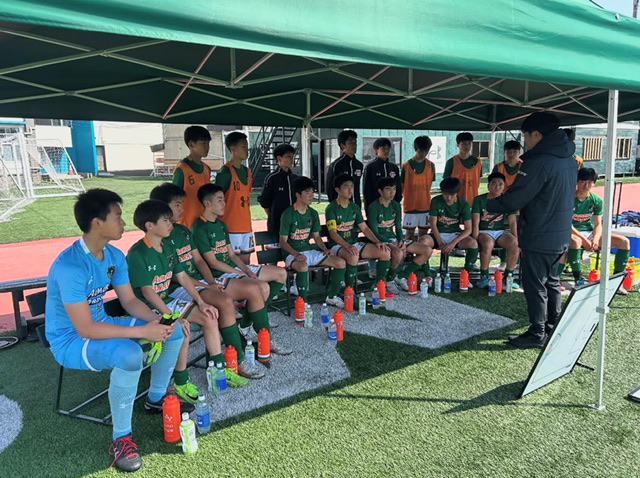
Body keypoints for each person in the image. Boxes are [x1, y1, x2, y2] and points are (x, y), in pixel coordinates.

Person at [45, 189, 187, 472]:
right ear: (97, 223)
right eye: (118, 217)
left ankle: (156, 398)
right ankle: (121, 438)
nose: (123, 223)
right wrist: (142, 332)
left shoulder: (113, 255)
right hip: (71, 340)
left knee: (175, 330)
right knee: (129, 354)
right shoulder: (70, 266)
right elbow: (85, 328)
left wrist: (158, 321)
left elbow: (130, 301)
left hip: (102, 325)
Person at [127, 201, 250, 402]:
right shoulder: (137, 253)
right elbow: (148, 293)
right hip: (148, 308)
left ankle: (219, 370)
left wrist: (201, 302)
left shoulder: (167, 246)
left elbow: (183, 277)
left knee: (209, 316)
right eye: (165, 221)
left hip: (166, 300)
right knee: (181, 330)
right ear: (149, 225)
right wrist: (171, 317)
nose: (171, 224)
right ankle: (181, 382)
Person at [149, 183, 264, 382]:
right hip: (177, 289)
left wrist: (211, 282)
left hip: (198, 282)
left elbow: (199, 260)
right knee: (224, 301)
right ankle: (236, 358)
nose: (182, 209)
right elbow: (178, 276)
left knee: (246, 291)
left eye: (182, 204)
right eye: (177, 205)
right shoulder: (161, 239)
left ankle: (236, 351)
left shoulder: (183, 231)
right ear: (162, 208)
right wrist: (205, 287)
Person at [487, 112, 576, 348]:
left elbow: (517, 198)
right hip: (560, 233)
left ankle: (537, 332)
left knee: (535, 283)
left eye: (525, 136)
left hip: (540, 233)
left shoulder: (539, 161)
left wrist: (489, 203)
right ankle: (553, 324)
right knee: (552, 280)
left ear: (536, 134)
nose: (524, 141)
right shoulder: (569, 158)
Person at [192, 183, 291, 358]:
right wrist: (241, 273)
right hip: (218, 275)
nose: (224, 203)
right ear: (207, 203)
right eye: (220, 200)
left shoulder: (221, 225)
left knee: (281, 274)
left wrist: (246, 270)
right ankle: (263, 336)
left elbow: (231, 254)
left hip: (233, 268)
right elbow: (213, 263)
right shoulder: (200, 228)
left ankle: (246, 325)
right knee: (261, 287)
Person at [560, 167, 630, 295]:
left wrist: (596, 239)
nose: (586, 186)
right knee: (576, 241)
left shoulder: (596, 200)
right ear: (577, 181)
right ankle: (578, 279)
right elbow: (567, 224)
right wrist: (585, 240)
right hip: (570, 232)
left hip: (588, 232)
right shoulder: (568, 198)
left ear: (594, 183)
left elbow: (598, 224)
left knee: (624, 242)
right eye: (583, 182)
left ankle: (617, 283)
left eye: (590, 182)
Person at [279, 176, 346, 308]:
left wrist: (325, 249)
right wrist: (296, 254)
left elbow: (316, 237)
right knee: (303, 267)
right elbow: (283, 242)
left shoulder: (313, 213)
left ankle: (332, 297)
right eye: (307, 192)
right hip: (292, 254)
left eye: (312, 192)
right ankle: (302, 303)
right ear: (298, 195)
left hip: (309, 251)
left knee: (340, 263)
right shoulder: (288, 214)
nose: (311, 196)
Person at [325, 173, 391, 292]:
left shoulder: (354, 207)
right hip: (338, 246)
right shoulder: (331, 208)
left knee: (385, 252)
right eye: (346, 187)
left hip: (353, 244)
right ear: (338, 190)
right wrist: (347, 246)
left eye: (352, 186)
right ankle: (350, 291)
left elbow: (364, 228)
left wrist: (377, 242)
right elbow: (333, 233)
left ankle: (379, 286)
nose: (350, 190)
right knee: (353, 255)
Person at [367, 177, 432, 292]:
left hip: (393, 239)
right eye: (388, 189)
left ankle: (402, 276)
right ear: (380, 191)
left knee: (427, 250)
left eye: (394, 189)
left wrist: (401, 240)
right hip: (379, 240)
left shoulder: (396, 205)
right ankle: (389, 280)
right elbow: (374, 232)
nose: (392, 192)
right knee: (398, 253)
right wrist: (392, 242)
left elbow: (398, 227)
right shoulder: (374, 207)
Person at [471, 172, 520, 289]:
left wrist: (516, 237)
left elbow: (512, 222)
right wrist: (475, 238)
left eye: (500, 184)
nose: (497, 187)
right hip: (484, 231)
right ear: (488, 185)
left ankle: (508, 276)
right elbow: (475, 222)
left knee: (515, 244)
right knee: (488, 244)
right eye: (493, 183)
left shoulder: (508, 200)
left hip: (500, 232)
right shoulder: (479, 199)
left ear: (504, 186)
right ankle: (484, 276)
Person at [215, 131, 254, 264]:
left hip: (246, 226)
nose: (247, 150)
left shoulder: (247, 172)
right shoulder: (225, 172)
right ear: (233, 149)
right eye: (243, 146)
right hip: (230, 227)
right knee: (233, 263)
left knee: (246, 262)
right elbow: (216, 200)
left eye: (247, 146)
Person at [429, 177, 479, 273]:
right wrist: (440, 243)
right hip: (438, 233)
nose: (448, 198)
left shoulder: (463, 204)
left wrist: (453, 243)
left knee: (473, 243)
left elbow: (468, 229)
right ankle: (426, 270)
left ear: (457, 193)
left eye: (451, 195)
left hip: (455, 233)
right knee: (423, 241)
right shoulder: (435, 201)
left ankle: (468, 268)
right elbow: (433, 224)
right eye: (445, 194)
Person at [172, 125, 212, 229]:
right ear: (191, 144)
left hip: (204, 225)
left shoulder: (207, 169)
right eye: (203, 143)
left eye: (208, 143)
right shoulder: (182, 169)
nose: (207, 147)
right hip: (187, 226)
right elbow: (173, 199)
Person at [258, 143, 299, 243]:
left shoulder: (295, 178)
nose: (292, 159)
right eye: (288, 156)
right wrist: (273, 215)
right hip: (277, 224)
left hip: (294, 224)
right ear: (279, 159)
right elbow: (264, 201)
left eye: (292, 156)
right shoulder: (272, 178)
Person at [402, 135, 437, 241]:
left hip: (425, 206)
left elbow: (430, 184)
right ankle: (408, 252)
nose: (423, 154)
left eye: (426, 151)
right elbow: (402, 186)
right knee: (409, 236)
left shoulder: (431, 165)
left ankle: (422, 252)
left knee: (423, 236)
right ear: (416, 149)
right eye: (420, 151)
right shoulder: (406, 166)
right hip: (410, 207)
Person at [325, 130, 364, 206]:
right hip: (340, 206)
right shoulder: (337, 165)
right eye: (351, 143)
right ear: (343, 146)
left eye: (355, 142)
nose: (354, 145)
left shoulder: (359, 165)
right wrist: (335, 205)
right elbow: (330, 187)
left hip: (356, 205)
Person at [362, 137, 402, 210]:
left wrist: (397, 201)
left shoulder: (393, 167)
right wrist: (368, 209)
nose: (386, 151)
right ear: (376, 150)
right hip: (376, 206)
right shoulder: (370, 167)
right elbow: (367, 190)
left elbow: (398, 186)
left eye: (388, 149)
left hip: (392, 206)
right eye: (383, 149)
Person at [443, 132, 482, 204]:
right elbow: (446, 184)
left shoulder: (477, 162)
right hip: (456, 202)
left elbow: (479, 179)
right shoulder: (451, 162)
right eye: (463, 144)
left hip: (473, 200)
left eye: (469, 143)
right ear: (458, 145)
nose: (467, 146)